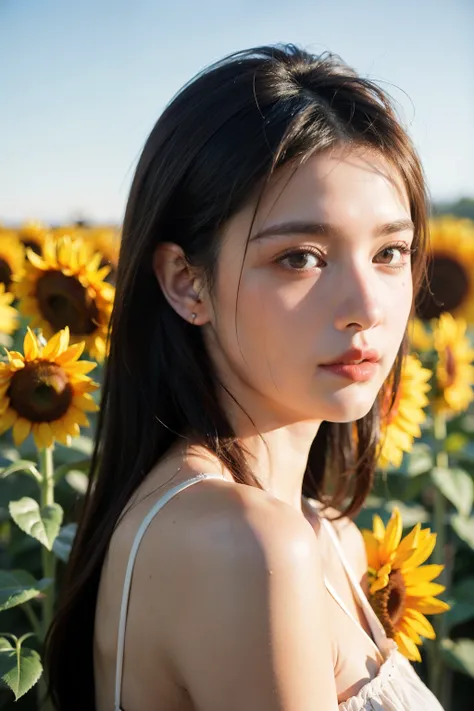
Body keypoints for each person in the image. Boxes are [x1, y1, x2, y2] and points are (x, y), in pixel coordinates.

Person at [45, 43, 444, 711]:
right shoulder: (244, 545)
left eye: (390, 252)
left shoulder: (327, 535)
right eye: (300, 257)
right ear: (185, 281)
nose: (367, 307)